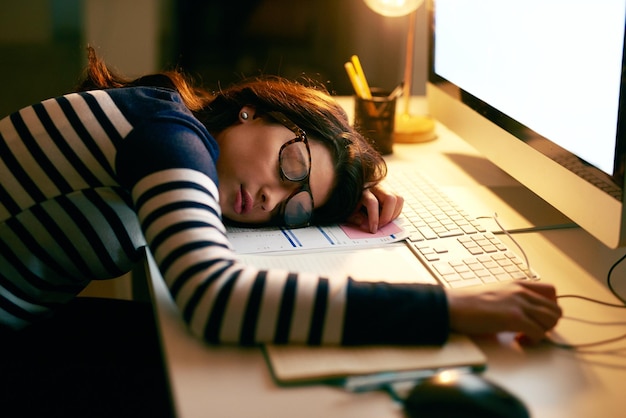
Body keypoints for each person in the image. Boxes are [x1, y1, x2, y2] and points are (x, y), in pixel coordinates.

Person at [0, 47, 561, 347]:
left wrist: (343, 186)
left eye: (293, 204)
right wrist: (451, 306)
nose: (271, 199)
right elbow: (213, 299)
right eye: (290, 162)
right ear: (254, 110)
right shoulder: (167, 137)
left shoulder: (167, 121)